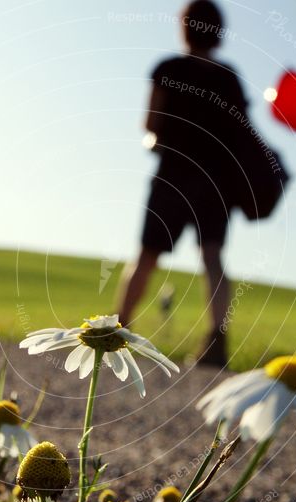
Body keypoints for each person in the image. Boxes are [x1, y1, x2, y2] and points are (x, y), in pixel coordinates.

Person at [116, 0, 257, 367]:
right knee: (211, 256)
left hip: (173, 175)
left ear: (184, 27)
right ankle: (217, 341)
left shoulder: (168, 69)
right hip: (217, 182)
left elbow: (150, 124)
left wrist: (161, 139)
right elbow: (241, 133)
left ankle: (119, 327)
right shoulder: (230, 79)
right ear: (220, 33)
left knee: (147, 255)